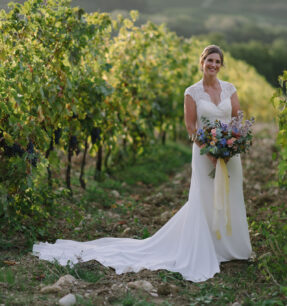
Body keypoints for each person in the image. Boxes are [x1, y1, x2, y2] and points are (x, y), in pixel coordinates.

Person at [32, 45, 252, 283]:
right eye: (210, 60)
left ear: (221, 65)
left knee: (231, 195)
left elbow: (236, 118)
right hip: (203, 153)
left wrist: (231, 146)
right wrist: (209, 150)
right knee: (205, 198)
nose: (213, 65)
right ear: (202, 62)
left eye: (218, 61)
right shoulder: (192, 92)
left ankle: (231, 248)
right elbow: (191, 127)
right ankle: (207, 247)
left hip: (229, 154)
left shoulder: (230, 89)